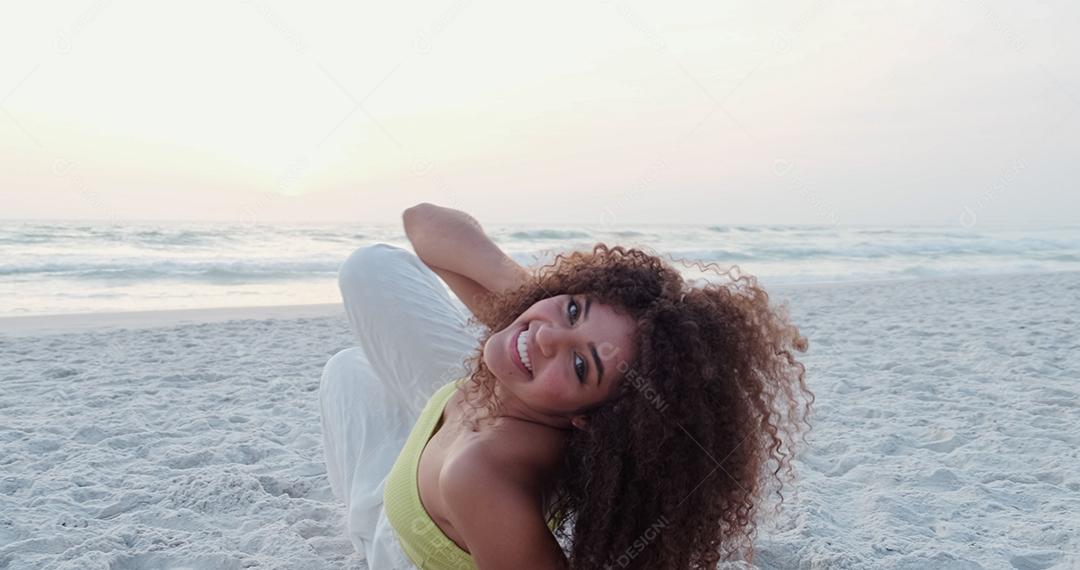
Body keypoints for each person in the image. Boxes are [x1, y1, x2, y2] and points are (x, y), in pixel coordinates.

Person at [320, 203, 813, 569]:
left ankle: (366, 530)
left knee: (346, 378)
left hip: (402, 539)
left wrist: (547, 312)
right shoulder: (525, 345)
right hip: (470, 427)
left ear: (592, 419)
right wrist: (535, 299)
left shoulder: (481, 475)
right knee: (357, 328)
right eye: (575, 307)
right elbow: (424, 223)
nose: (548, 336)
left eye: (582, 366)